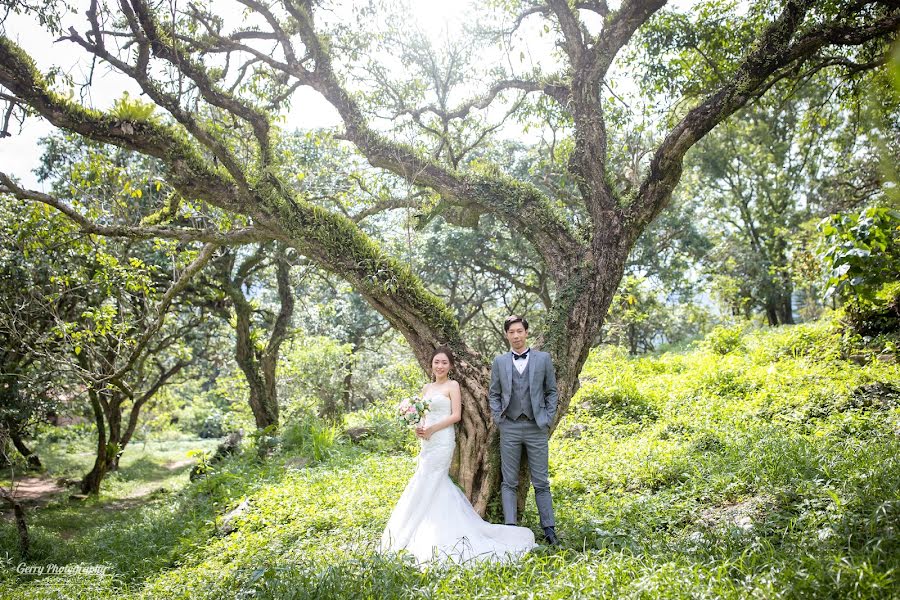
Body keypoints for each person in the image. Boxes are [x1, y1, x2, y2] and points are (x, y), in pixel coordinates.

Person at [379, 346, 536, 564]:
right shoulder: (426, 388)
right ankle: (418, 527)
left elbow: (456, 415)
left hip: (443, 440)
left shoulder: (453, 386)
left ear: (450, 366)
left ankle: (439, 530)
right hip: (428, 442)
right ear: (431, 365)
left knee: (433, 479)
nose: (440, 366)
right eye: (436, 362)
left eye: (444, 362)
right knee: (426, 480)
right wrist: (421, 427)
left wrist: (434, 429)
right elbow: (424, 415)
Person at [488, 315, 559, 546]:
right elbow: (494, 394)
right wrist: (500, 419)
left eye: (519, 331)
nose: (516, 336)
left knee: (541, 482)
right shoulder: (499, 362)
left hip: (536, 427)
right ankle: (510, 529)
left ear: (526, 332)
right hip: (509, 426)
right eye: (511, 332)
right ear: (507, 335)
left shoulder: (543, 359)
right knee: (509, 482)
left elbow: (551, 391)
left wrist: (547, 418)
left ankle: (549, 530)